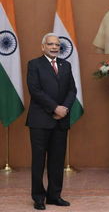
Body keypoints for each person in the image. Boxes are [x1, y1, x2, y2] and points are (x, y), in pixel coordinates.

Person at [26, 33, 77, 210]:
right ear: (43, 47)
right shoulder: (34, 64)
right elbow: (35, 90)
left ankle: (54, 196)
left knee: (57, 160)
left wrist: (64, 109)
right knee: (39, 161)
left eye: (57, 44)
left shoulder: (66, 65)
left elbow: (72, 90)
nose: (55, 47)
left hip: (61, 121)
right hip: (40, 121)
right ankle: (38, 197)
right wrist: (55, 108)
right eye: (50, 44)